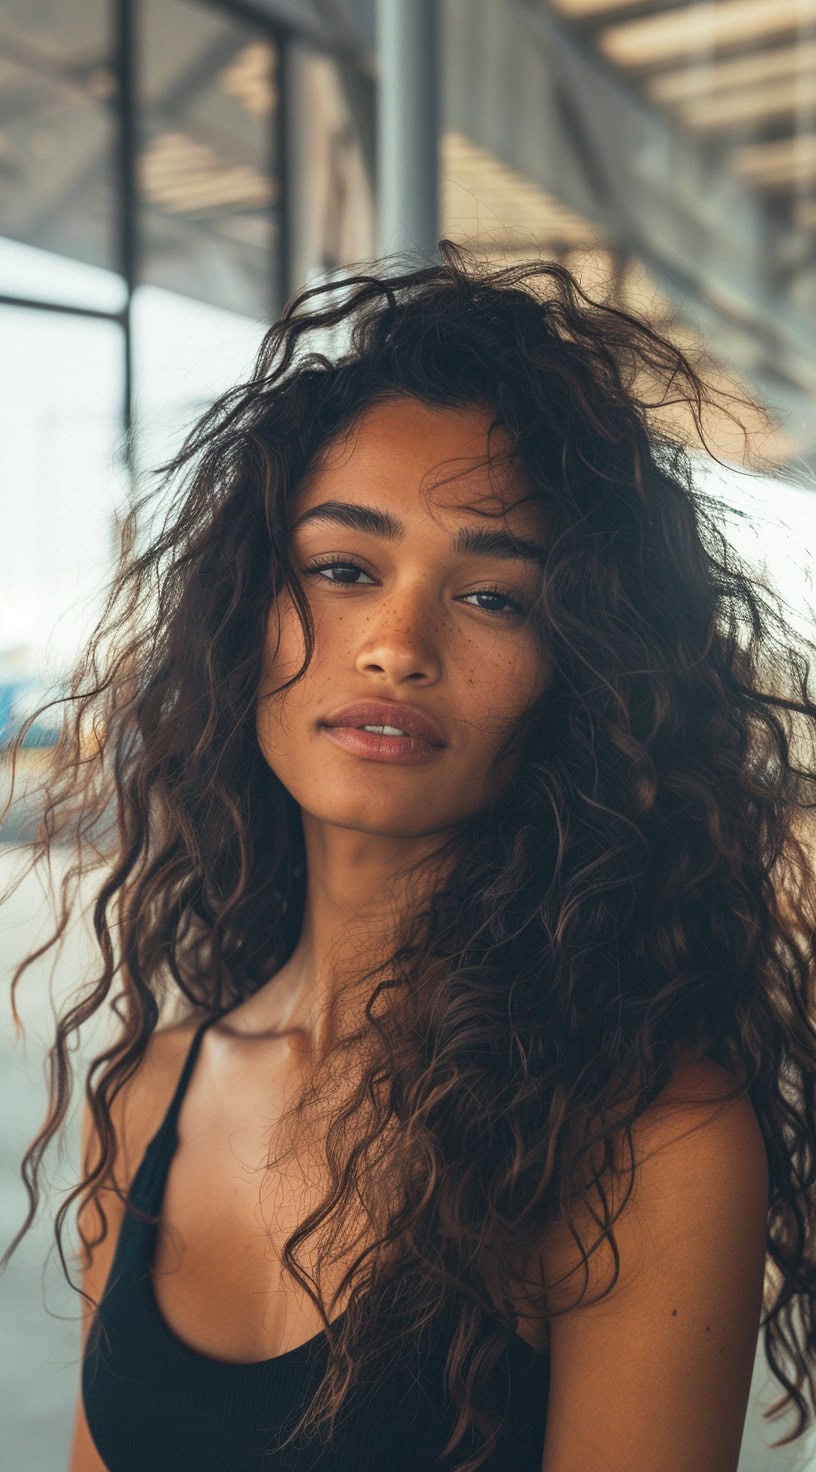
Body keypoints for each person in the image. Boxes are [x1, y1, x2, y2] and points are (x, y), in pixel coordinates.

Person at [2, 240, 816, 1472]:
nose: (396, 641)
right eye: (341, 568)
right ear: (244, 617)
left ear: (581, 674)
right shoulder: (149, 1092)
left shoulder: (646, 1137)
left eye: (494, 596)